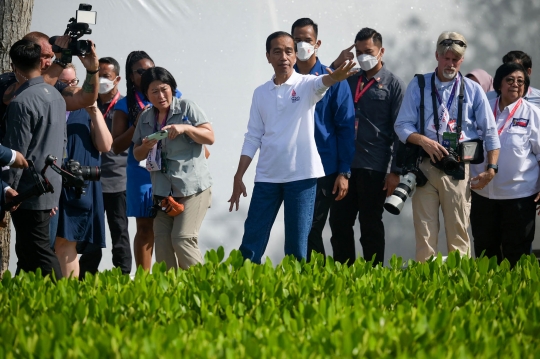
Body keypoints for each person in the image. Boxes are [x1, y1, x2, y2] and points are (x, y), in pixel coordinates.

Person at [228, 31, 357, 264]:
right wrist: (239, 174)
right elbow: (253, 136)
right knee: (251, 244)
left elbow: (323, 82)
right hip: (267, 177)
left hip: (301, 177)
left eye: (289, 51)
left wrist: (335, 77)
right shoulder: (260, 93)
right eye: (277, 51)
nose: (284, 57)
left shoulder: (307, 85)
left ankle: (296, 296)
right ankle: (244, 292)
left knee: (297, 248)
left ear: (295, 56)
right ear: (268, 56)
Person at [394, 31, 500, 262]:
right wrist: (422, 140)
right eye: (446, 58)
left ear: (462, 60)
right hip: (424, 166)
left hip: (457, 168)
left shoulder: (472, 90)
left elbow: (491, 131)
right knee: (425, 234)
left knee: (459, 234)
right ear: (437, 56)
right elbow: (401, 125)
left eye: (455, 59)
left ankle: (459, 289)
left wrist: (491, 169)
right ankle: (425, 286)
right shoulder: (419, 84)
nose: (450, 63)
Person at [328, 27, 405, 266]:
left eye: (368, 51)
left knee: (370, 225)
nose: (363, 57)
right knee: (340, 224)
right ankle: (344, 275)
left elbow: (400, 132)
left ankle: (373, 276)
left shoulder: (394, 85)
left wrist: (395, 172)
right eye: (359, 52)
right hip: (344, 167)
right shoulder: (348, 78)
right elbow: (319, 87)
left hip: (375, 167)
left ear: (381, 51)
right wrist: (335, 63)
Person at [132, 67, 213, 270]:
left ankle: (206, 288)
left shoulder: (187, 107)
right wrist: (145, 146)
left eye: (164, 89)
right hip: (162, 193)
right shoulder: (146, 116)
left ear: (172, 87)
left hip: (192, 188)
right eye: (154, 92)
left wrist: (186, 128)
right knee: (163, 245)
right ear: (146, 95)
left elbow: (210, 136)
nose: (161, 96)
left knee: (182, 239)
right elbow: (137, 154)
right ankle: (173, 294)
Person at [290, 18, 355, 262]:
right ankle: (305, 280)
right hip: (292, 169)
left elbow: (346, 127)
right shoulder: (286, 80)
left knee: (311, 228)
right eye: (297, 40)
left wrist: (344, 172)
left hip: (323, 168)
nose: (302, 45)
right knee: (298, 229)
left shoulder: (334, 79)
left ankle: (318, 281)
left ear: (317, 43)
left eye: (307, 40)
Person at [111, 51, 181, 271]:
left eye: (150, 68)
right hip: (141, 173)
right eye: (140, 71)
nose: (146, 74)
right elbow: (117, 145)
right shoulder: (124, 105)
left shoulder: (172, 94)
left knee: (172, 225)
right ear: (131, 77)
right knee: (144, 228)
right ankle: (143, 280)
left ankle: (171, 276)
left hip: (169, 169)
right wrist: (138, 123)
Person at [2, 39, 66, 278]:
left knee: (38, 250)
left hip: (28, 187)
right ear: (41, 63)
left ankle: (65, 299)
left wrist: (8, 189)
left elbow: (15, 153)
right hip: (51, 181)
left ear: (15, 67)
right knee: (29, 251)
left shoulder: (22, 101)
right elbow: (63, 143)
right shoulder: (56, 96)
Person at [470, 62, 540, 267]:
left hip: (519, 197)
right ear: (499, 84)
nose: (515, 85)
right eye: (509, 80)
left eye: (520, 81)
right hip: (482, 195)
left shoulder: (533, 114)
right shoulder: (481, 110)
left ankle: (515, 297)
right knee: (485, 252)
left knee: (517, 254)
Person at [53, 64, 112, 279]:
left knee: (66, 241)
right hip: (51, 180)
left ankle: (68, 296)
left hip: (77, 182)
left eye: (73, 82)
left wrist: (94, 111)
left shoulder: (87, 109)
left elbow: (106, 145)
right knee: (53, 242)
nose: (71, 87)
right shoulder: (49, 104)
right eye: (64, 83)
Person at [78, 57, 132, 278]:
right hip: (91, 180)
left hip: (118, 180)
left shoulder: (127, 107)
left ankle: (123, 277)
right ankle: (86, 277)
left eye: (106, 76)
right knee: (90, 234)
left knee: (119, 232)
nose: (101, 81)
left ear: (117, 79)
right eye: (97, 75)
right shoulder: (85, 104)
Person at [1, 32, 99, 132]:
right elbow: (31, 93)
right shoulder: (6, 80)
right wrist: (61, 61)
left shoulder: (54, 85)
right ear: (28, 53)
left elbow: (85, 99)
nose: (49, 63)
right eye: (44, 56)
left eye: (51, 57)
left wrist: (92, 70)